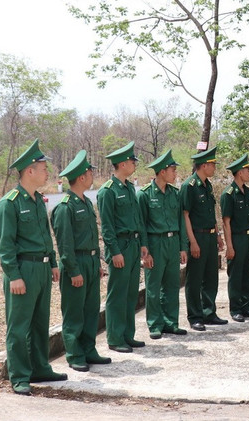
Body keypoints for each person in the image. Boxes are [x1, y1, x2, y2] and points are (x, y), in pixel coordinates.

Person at [0, 139, 67, 395]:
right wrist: (13, 275)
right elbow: (6, 246)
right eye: (43, 167)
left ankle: (39, 367)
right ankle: (19, 375)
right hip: (23, 270)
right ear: (29, 171)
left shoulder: (38, 200)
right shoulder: (10, 203)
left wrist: (54, 262)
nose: (48, 172)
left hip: (42, 269)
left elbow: (45, 235)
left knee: (40, 322)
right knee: (19, 325)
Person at [52, 150, 111, 372]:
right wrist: (73, 270)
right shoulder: (65, 207)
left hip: (91, 262)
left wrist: (97, 265)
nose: (92, 175)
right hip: (75, 264)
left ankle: (88, 349)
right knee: (74, 311)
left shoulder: (86, 202)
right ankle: (75, 353)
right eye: (90, 172)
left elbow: (92, 238)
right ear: (82, 177)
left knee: (90, 309)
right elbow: (65, 245)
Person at [98, 141, 148, 353]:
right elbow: (107, 226)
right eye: (131, 160)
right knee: (117, 294)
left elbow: (138, 218)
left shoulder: (129, 188)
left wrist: (143, 243)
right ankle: (115, 337)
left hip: (134, 244)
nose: (134, 163)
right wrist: (115, 251)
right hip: (120, 246)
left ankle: (128, 335)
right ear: (122, 164)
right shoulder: (107, 191)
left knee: (130, 293)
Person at [137, 149, 189, 339]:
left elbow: (181, 223)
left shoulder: (175, 194)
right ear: (162, 172)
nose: (176, 174)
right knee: (153, 286)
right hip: (155, 243)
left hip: (172, 242)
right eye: (173, 170)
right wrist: (145, 252)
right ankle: (155, 324)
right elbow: (141, 224)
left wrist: (183, 247)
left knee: (172, 285)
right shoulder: (144, 195)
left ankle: (171, 322)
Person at [181, 146, 227, 331]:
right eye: (212, 164)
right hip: (197, 236)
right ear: (204, 165)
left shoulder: (207, 185)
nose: (214, 168)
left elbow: (211, 213)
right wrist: (192, 242)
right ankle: (195, 316)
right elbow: (185, 216)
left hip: (209, 236)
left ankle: (209, 312)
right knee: (195, 279)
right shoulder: (189, 186)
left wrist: (218, 235)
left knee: (211, 277)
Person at [221, 154, 249, 322]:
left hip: (248, 237)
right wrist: (229, 246)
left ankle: (246, 305)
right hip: (237, 238)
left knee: (247, 273)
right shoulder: (229, 194)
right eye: (247, 170)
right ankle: (235, 308)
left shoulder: (248, 191)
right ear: (239, 173)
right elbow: (226, 222)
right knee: (236, 274)